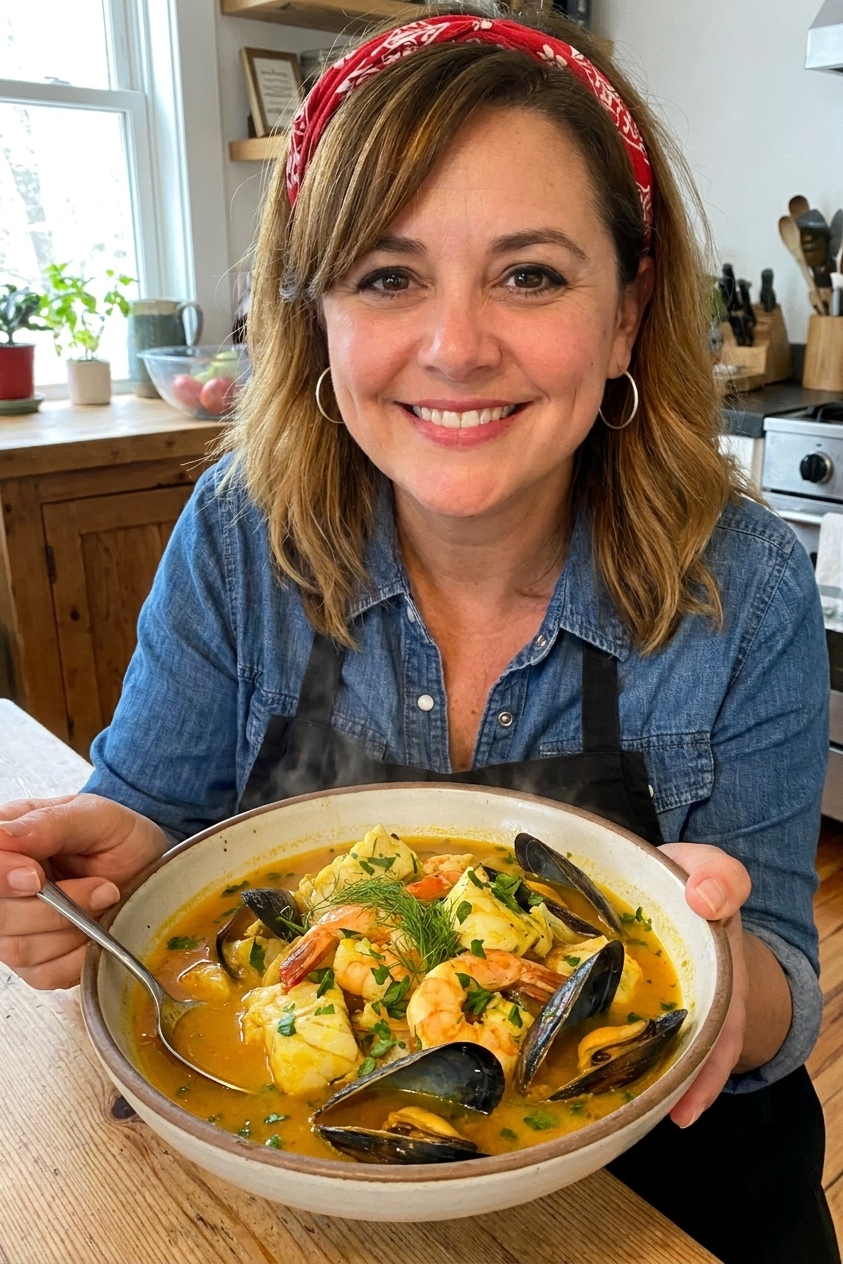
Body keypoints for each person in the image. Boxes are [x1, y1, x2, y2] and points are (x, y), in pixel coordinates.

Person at [0, 9, 835, 1260]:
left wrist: (724, 979)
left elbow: (778, 978)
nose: (455, 347)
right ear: (318, 316)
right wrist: (102, 871)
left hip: (673, 1205)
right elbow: (147, 833)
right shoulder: (238, 535)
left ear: (626, 312)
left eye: (530, 274)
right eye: (388, 277)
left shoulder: (749, 584)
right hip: (308, 1209)